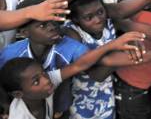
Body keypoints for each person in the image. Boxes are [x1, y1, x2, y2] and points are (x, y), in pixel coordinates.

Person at [0, 34, 138, 119]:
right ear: (18, 94)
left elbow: (78, 65)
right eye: (36, 82)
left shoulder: (48, 80)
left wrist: (111, 46)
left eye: (43, 73)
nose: (46, 81)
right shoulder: (19, 116)